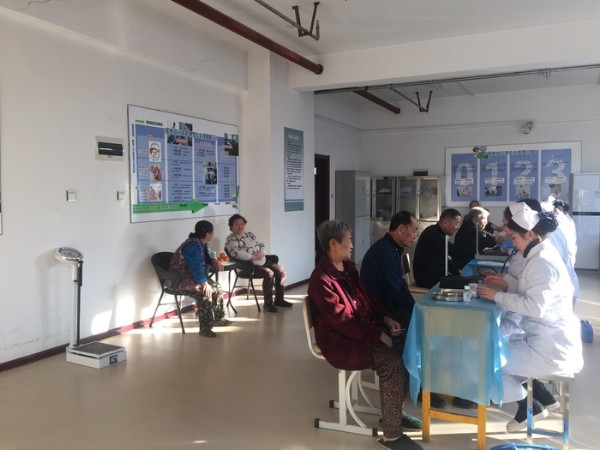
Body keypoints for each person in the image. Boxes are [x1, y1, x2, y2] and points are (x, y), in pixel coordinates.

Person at [308, 220, 422, 450]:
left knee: (406, 346)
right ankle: (391, 436)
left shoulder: (348, 269)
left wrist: (385, 318)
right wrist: (378, 335)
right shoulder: (322, 281)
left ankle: (393, 413)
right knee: (391, 363)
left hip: (361, 333)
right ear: (333, 244)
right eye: (349, 241)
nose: (352, 245)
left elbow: (367, 302)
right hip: (340, 343)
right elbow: (343, 322)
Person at [477, 202, 583, 432]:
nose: (512, 243)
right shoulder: (540, 253)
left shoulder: (541, 261)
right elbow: (532, 290)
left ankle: (529, 407)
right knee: (497, 348)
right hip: (543, 338)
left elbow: (535, 307)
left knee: (488, 360)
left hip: (550, 347)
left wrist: (497, 296)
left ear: (530, 234)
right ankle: (533, 403)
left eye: (514, 238)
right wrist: (507, 283)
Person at [361, 211, 447, 410]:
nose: (415, 235)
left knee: (423, 321)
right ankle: (420, 386)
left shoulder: (392, 248)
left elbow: (400, 287)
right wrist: (415, 311)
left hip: (388, 304)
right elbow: (394, 291)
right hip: (379, 310)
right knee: (422, 330)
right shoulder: (385, 251)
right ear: (401, 229)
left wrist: (416, 308)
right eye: (413, 230)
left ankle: (425, 378)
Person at [168, 220, 231, 338]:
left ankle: (219, 318)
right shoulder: (193, 246)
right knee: (205, 294)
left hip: (192, 278)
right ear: (208, 234)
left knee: (217, 287)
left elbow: (206, 258)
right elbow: (195, 266)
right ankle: (205, 328)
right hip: (179, 280)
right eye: (212, 233)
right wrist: (204, 283)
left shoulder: (202, 243)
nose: (213, 235)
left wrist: (214, 261)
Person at [225, 214, 290, 312]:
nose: (240, 226)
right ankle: (268, 304)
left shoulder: (249, 234)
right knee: (269, 273)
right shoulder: (231, 239)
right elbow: (236, 253)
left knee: (281, 271)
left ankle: (279, 299)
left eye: (242, 223)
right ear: (231, 226)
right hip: (248, 266)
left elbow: (261, 244)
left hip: (261, 260)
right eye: (237, 224)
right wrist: (251, 256)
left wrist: (262, 252)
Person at [413, 208, 470, 288]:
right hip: (427, 278)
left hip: (434, 274)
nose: (457, 227)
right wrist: (458, 275)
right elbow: (452, 251)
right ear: (446, 222)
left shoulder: (437, 232)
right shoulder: (434, 234)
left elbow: (447, 258)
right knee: (465, 284)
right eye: (456, 223)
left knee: (463, 280)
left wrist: (458, 274)